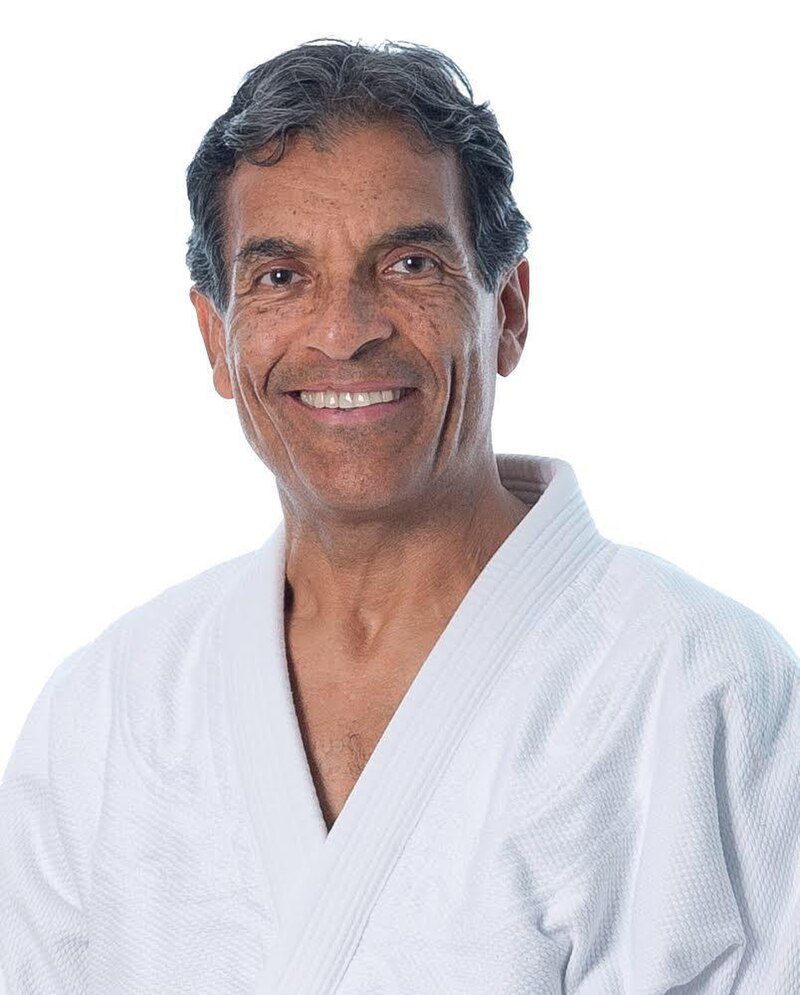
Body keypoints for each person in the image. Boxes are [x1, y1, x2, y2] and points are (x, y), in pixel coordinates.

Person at [1, 37, 798, 995]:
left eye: (410, 263)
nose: (345, 332)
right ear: (217, 337)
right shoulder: (108, 709)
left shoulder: (702, 688)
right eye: (281, 277)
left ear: (508, 309)